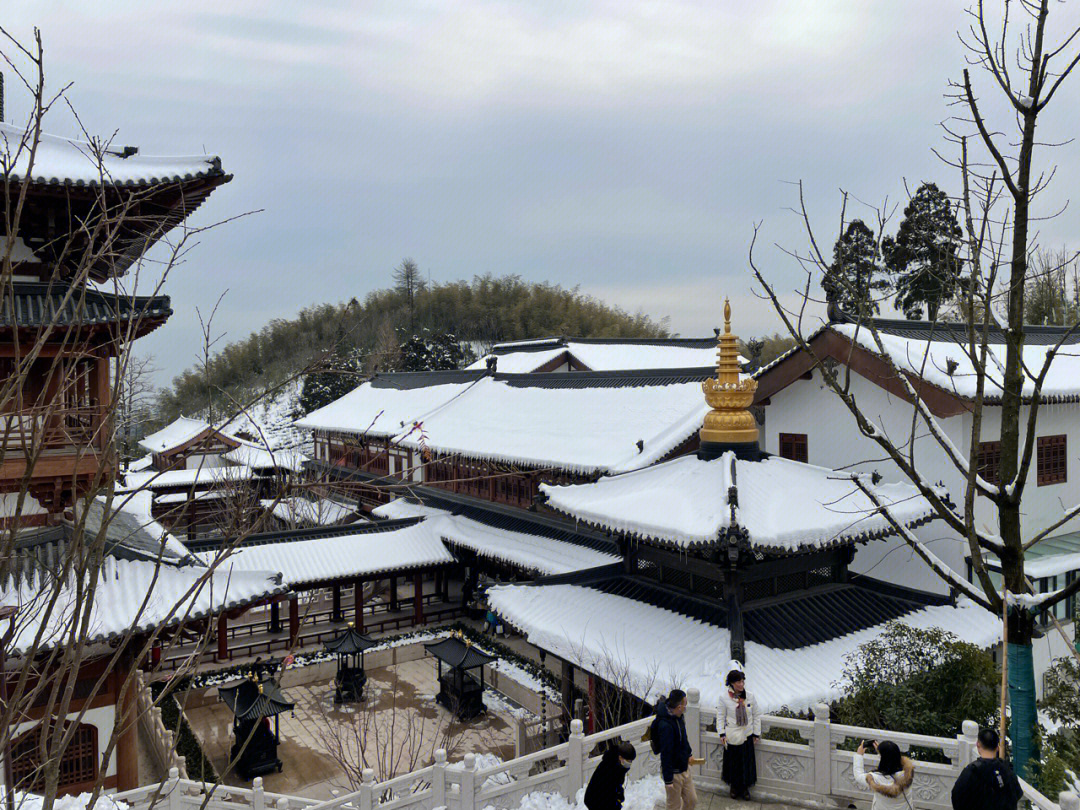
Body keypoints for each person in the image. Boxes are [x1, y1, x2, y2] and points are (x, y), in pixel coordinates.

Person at [951, 728, 1023, 810]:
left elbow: (956, 798)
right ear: (997, 747)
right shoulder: (1006, 769)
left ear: (978, 744)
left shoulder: (971, 771)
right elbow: (1018, 793)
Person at [718, 665, 761, 800]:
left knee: (746, 763)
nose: (741, 684)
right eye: (738, 682)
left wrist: (756, 733)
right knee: (734, 763)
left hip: (747, 734)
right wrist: (721, 733)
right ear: (731, 683)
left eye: (743, 681)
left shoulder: (750, 696)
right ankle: (734, 787)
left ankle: (745, 788)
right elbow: (720, 716)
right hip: (732, 735)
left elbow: (756, 715)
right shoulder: (724, 698)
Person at [655, 689, 696, 810]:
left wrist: (689, 754)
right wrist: (668, 780)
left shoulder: (679, 717)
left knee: (691, 800)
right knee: (674, 805)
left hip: (684, 768)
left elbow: (684, 739)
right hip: (673, 773)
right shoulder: (665, 726)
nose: (685, 708)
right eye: (685, 705)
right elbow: (665, 754)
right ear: (679, 707)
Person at [853, 739, 914, 810]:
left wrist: (859, 755)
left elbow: (858, 775)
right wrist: (883, 753)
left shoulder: (875, 778)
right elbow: (892, 760)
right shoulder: (906, 773)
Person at [583, 741, 636, 810]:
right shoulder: (609, 767)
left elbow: (616, 785)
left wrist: (619, 792)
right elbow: (607, 792)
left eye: (631, 761)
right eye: (628, 761)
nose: (630, 763)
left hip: (602, 798)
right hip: (595, 800)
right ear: (620, 757)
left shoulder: (619, 765)